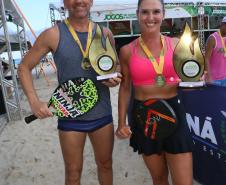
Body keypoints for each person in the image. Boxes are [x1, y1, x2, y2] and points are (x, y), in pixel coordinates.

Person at [18, 0, 122, 184]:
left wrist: (115, 78)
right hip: (70, 118)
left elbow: (116, 65)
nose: (78, 1)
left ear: (91, 1)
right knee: (73, 173)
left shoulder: (105, 33)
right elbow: (23, 67)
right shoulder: (53, 34)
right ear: (65, 2)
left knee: (105, 164)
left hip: (102, 115)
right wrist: (35, 102)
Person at [115, 0, 198, 184]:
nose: (150, 17)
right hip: (144, 118)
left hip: (175, 114)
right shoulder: (128, 51)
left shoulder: (177, 45)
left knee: (184, 181)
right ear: (137, 15)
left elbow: (189, 74)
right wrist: (121, 123)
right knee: (159, 179)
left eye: (155, 12)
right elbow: (125, 87)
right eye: (145, 12)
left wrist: (195, 77)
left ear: (163, 15)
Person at [205, 16, 226, 86]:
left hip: (225, 78)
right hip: (213, 79)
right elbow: (206, 58)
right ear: (223, 25)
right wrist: (208, 76)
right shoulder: (212, 38)